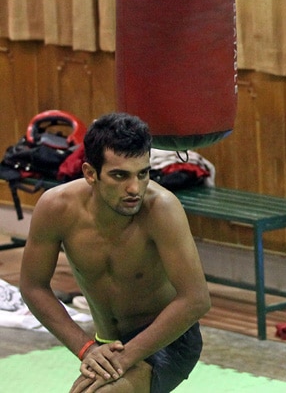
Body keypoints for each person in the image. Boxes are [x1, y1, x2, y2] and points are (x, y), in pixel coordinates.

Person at [19, 112, 212, 393]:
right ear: (90, 173)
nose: (134, 188)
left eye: (142, 174)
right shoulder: (56, 207)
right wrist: (86, 348)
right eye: (119, 175)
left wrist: (124, 358)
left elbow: (196, 300)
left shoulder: (162, 209)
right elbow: (33, 286)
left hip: (168, 340)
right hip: (105, 342)